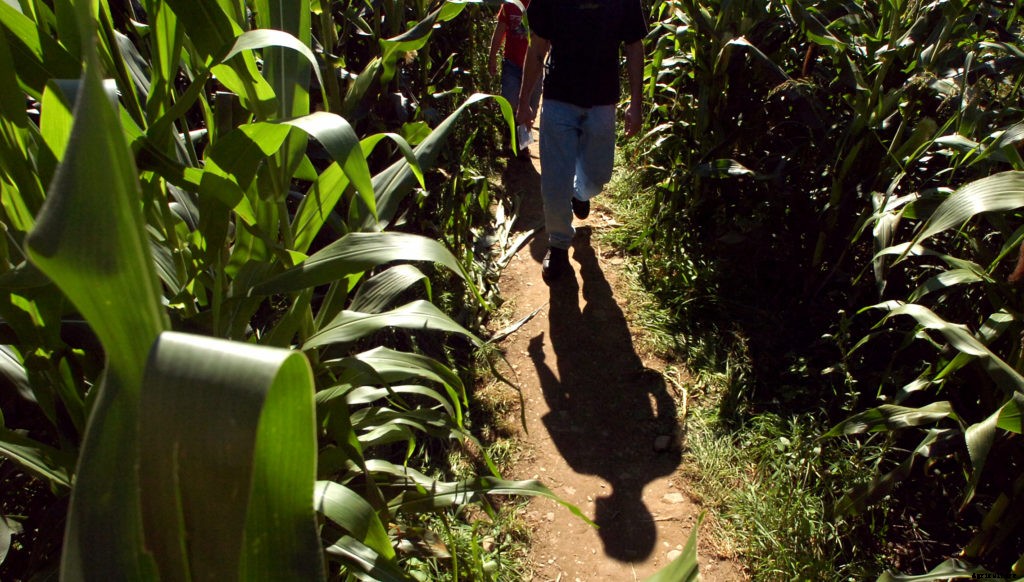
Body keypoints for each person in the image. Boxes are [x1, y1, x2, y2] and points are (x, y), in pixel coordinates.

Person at [514, 0, 646, 282]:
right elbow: (538, 45)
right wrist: (524, 101)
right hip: (558, 99)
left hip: (602, 101)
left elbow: (634, 46)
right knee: (554, 181)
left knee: (599, 173)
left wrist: (637, 103)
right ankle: (559, 245)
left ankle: (581, 193)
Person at [488, 0, 543, 119]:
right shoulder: (509, 5)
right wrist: (492, 57)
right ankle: (515, 127)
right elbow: (500, 30)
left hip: (534, 68)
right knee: (510, 100)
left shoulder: (542, 6)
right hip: (512, 64)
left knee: (531, 111)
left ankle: (523, 132)